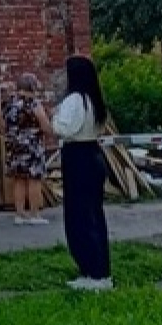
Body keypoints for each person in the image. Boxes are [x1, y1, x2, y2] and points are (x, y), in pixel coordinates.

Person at [53, 54, 113, 291]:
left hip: (77, 155)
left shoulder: (74, 100)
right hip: (93, 153)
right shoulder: (93, 99)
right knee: (93, 214)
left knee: (78, 215)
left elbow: (63, 129)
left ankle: (91, 271)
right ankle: (100, 269)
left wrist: (46, 117)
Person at [3, 72, 53, 226]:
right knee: (34, 179)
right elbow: (45, 126)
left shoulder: (9, 104)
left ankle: (19, 214)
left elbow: (4, 123)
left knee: (18, 179)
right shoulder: (33, 104)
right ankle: (34, 214)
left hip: (14, 146)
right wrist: (49, 127)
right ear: (32, 86)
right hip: (32, 146)